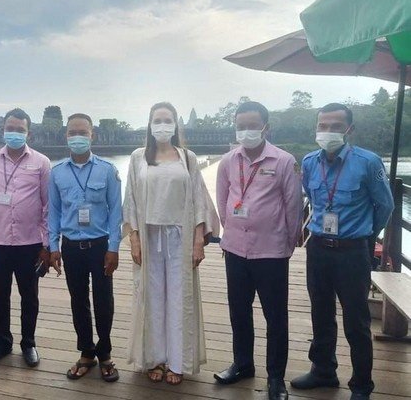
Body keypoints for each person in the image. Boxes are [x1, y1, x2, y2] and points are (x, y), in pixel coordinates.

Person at [291, 103, 394, 400]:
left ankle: (361, 385)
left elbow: (384, 205)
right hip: (319, 249)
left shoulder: (368, 162)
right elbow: (312, 197)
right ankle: (323, 371)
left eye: (336, 126)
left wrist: (365, 235)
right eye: (323, 125)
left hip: (353, 253)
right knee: (320, 313)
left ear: (349, 130)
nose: (328, 131)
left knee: (356, 320)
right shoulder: (310, 161)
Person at [123, 102, 219, 386]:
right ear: (149, 124)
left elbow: (199, 199)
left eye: (167, 120)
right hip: (150, 236)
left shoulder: (186, 157)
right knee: (152, 298)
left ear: (176, 125)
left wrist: (198, 240)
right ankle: (156, 358)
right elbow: (130, 200)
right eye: (157, 120)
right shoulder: (138, 157)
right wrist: (135, 238)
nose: (162, 125)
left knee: (180, 299)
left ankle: (178, 361)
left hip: (180, 235)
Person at [213, 101, 302, 400]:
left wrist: (286, 244)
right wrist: (235, 232)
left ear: (266, 127)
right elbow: (223, 204)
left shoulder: (284, 161)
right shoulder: (228, 161)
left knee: (275, 317)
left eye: (252, 125)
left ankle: (276, 378)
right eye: (241, 126)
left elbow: (293, 208)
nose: (246, 131)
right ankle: (242, 364)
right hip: (235, 250)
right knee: (239, 311)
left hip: (272, 253)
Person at [0, 108, 51, 368]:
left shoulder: (41, 163)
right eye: (10, 128)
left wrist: (47, 245)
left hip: (30, 244)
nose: (14, 133)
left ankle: (29, 343)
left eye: (19, 129)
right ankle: (2, 343)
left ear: (29, 132)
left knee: (30, 296)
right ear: (3, 129)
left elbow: (49, 207)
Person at [48, 113, 122, 382]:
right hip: (70, 246)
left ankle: (105, 354)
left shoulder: (107, 169)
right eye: (72, 132)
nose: (77, 137)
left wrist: (114, 247)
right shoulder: (56, 173)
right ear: (65, 136)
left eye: (82, 132)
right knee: (78, 300)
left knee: (104, 300)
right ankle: (87, 352)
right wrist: (52, 246)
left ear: (93, 135)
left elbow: (116, 212)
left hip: (100, 246)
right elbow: (53, 212)